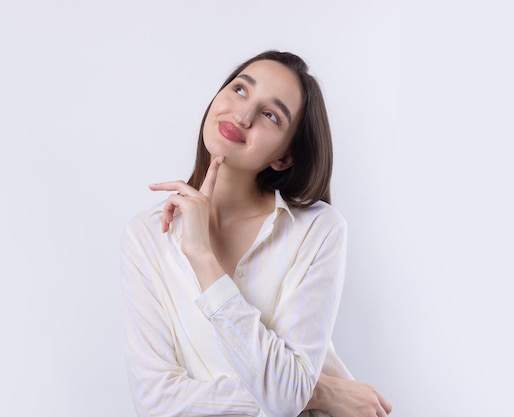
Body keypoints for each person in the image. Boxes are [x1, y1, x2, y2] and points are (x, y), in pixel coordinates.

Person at [120, 50, 392, 417]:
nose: (243, 115)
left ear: (283, 157)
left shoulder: (318, 230)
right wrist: (320, 393)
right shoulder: (148, 234)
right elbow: (156, 402)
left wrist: (202, 256)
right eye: (240, 90)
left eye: (270, 115)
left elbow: (288, 395)